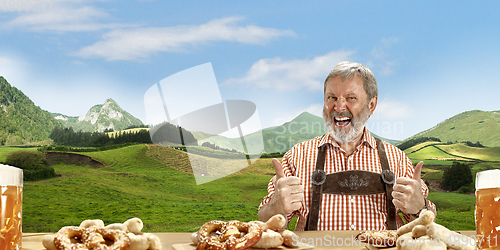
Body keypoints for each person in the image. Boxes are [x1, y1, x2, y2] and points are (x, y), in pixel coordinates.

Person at [258, 61, 436, 231]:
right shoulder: (297, 156)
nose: (339, 106)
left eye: (350, 98)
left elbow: (428, 220)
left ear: (371, 105)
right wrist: (276, 206)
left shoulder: (395, 158)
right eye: (331, 97)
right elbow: (265, 220)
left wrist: (420, 208)